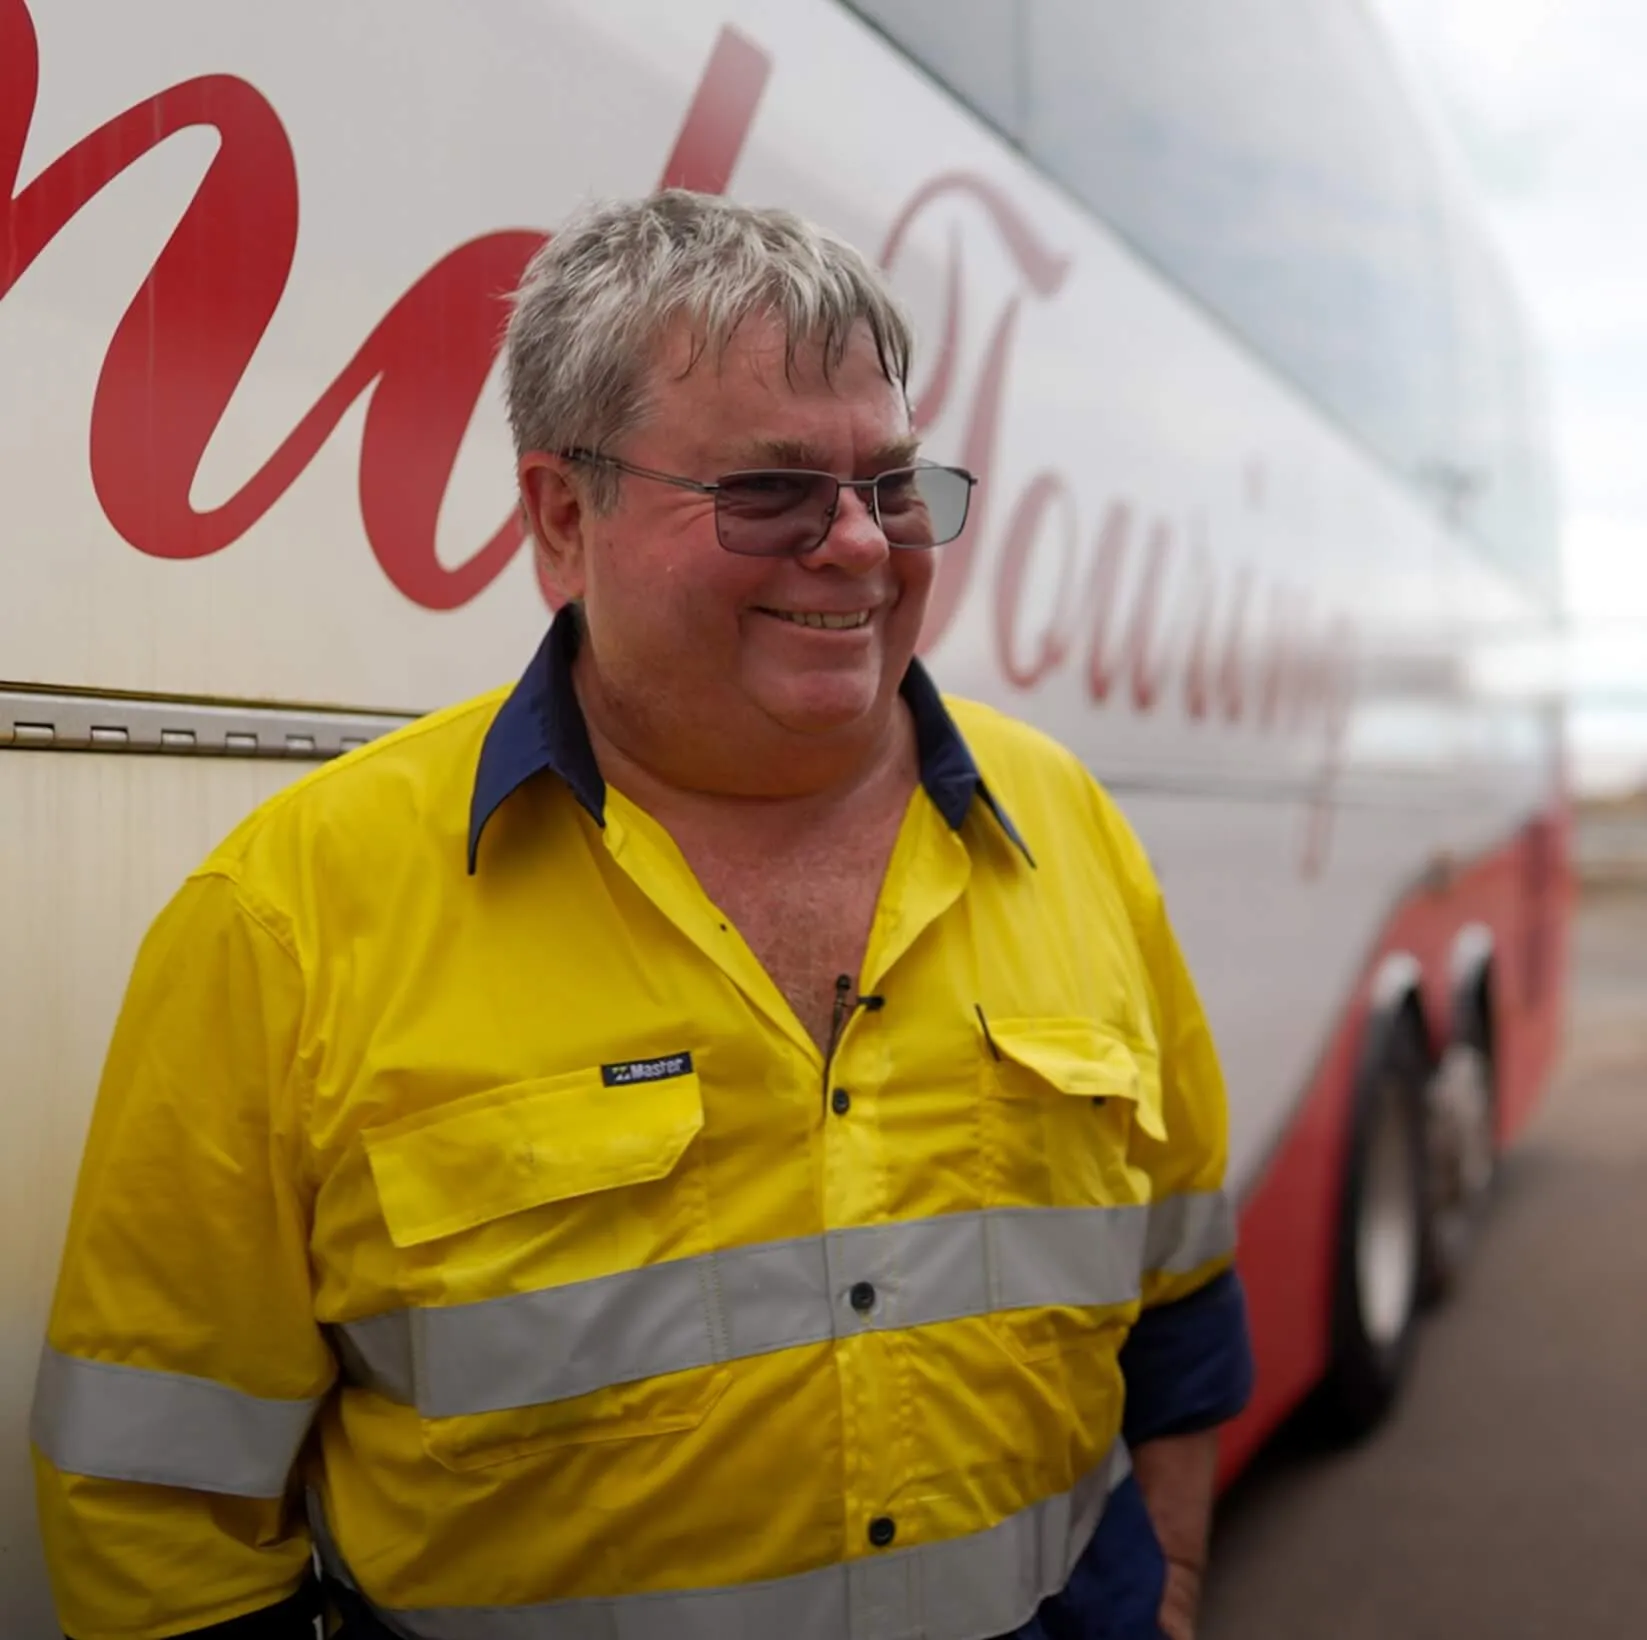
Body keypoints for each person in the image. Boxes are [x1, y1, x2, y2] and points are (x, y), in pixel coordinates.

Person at [32, 190, 1252, 1640]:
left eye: (892, 483)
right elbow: (158, 1505)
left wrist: (1166, 1581)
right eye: (771, 492)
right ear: (563, 515)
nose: (859, 546)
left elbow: (1181, 1297)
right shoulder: (288, 912)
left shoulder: (1064, 823)